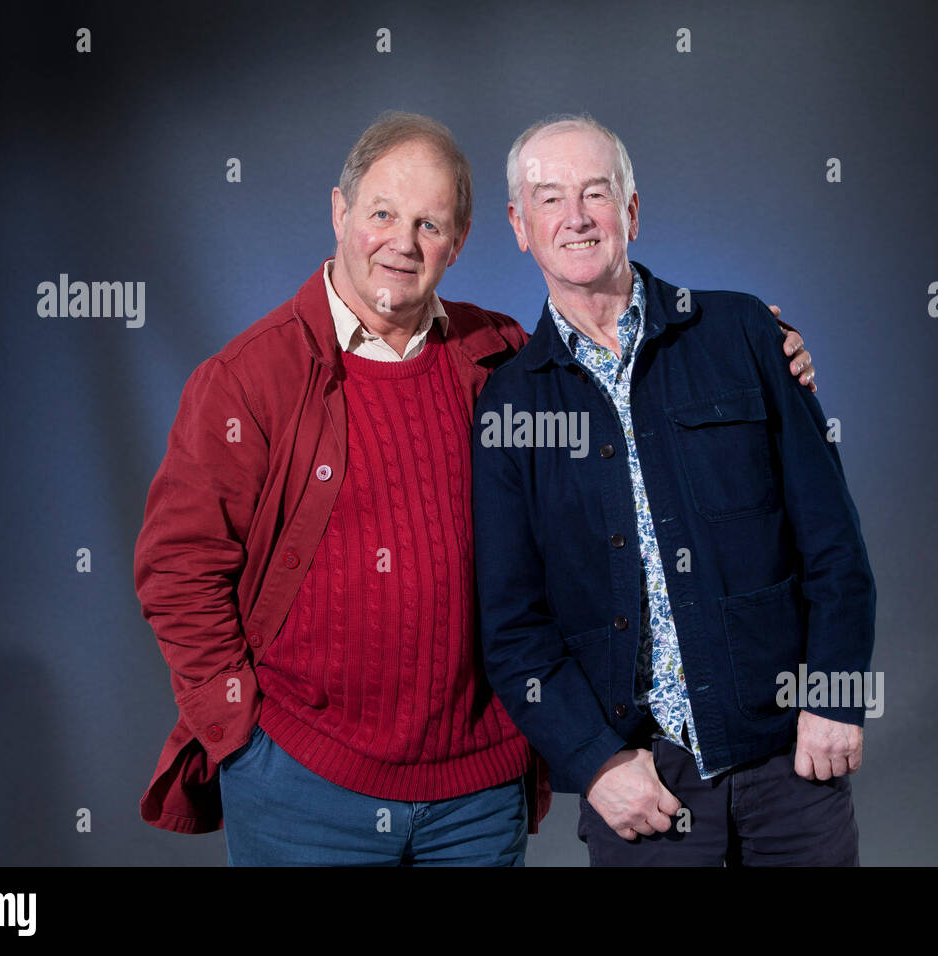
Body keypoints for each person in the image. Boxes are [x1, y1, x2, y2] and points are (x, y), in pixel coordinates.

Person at [135, 110, 819, 866]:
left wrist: (759, 350)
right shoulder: (248, 379)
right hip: (303, 783)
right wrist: (241, 739)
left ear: (460, 242)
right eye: (383, 214)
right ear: (340, 212)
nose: (402, 243)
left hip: (475, 790)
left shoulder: (501, 360)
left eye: (430, 224)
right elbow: (177, 569)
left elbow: (627, 391)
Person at [472, 113, 876, 866]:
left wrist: (837, 695)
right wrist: (593, 761)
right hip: (641, 780)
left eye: (597, 192)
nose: (577, 217)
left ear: (630, 210)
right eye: (550, 198)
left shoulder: (743, 334)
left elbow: (833, 542)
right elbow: (512, 628)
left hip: (791, 750)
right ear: (519, 226)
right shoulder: (509, 406)